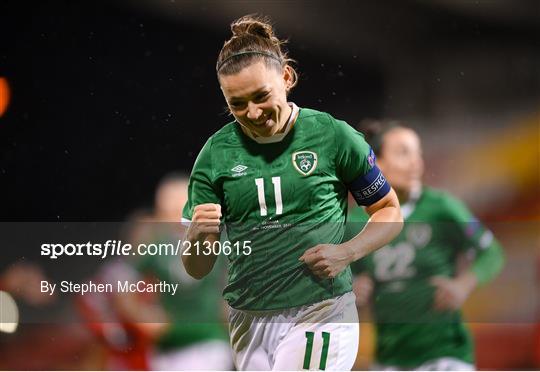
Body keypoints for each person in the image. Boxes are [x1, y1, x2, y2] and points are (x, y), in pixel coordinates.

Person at [181, 15, 403, 371]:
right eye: (237, 104)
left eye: (261, 96)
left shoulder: (332, 136)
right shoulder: (215, 154)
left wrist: (347, 252)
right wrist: (197, 237)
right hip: (248, 318)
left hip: (321, 308)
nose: (252, 112)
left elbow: (389, 212)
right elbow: (196, 267)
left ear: (286, 77)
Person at [350, 120, 505, 370]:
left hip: (446, 356)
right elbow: (342, 278)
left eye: (418, 153)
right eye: (403, 153)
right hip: (389, 359)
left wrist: (463, 285)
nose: (416, 163)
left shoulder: (441, 207)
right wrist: (349, 289)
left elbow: (492, 253)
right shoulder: (357, 222)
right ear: (377, 163)